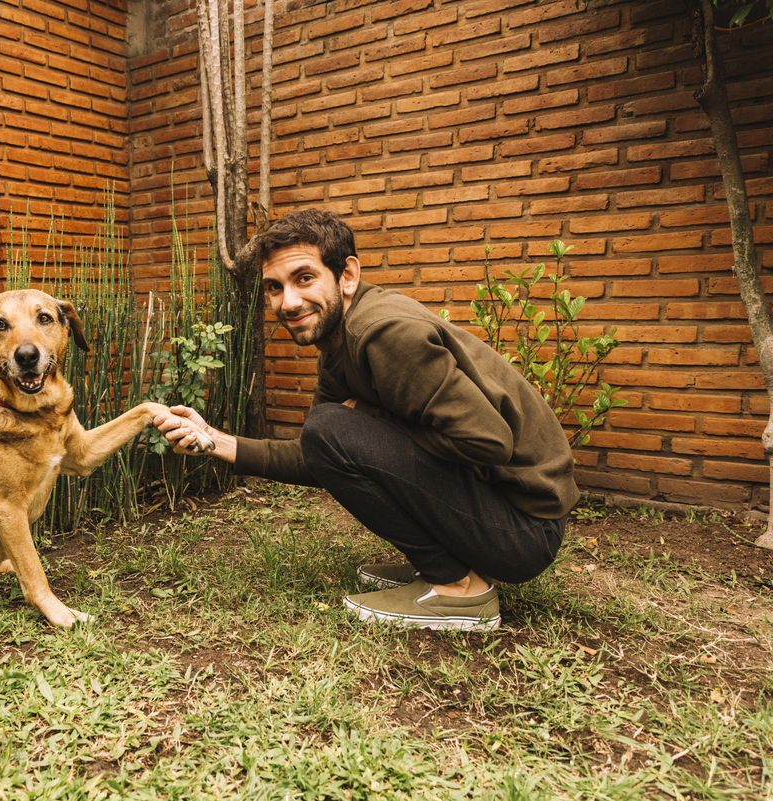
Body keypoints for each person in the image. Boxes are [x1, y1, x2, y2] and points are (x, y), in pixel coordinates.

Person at [155, 209, 577, 631]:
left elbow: (489, 442)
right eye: (274, 287)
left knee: (328, 424)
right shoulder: (339, 342)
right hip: (501, 512)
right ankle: (448, 566)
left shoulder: (383, 333)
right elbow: (321, 454)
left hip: (524, 530)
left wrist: (369, 415)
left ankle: (459, 589)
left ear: (348, 276)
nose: (288, 302)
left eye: (304, 278)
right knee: (328, 427)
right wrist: (217, 440)